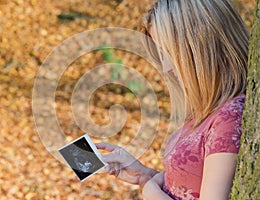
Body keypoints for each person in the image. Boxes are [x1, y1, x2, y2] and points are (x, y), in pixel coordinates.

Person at [95, 0, 249, 199]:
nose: (166, 67)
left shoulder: (230, 117)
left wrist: (151, 192)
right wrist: (145, 176)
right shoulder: (207, 111)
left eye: (169, 52)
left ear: (201, 44)